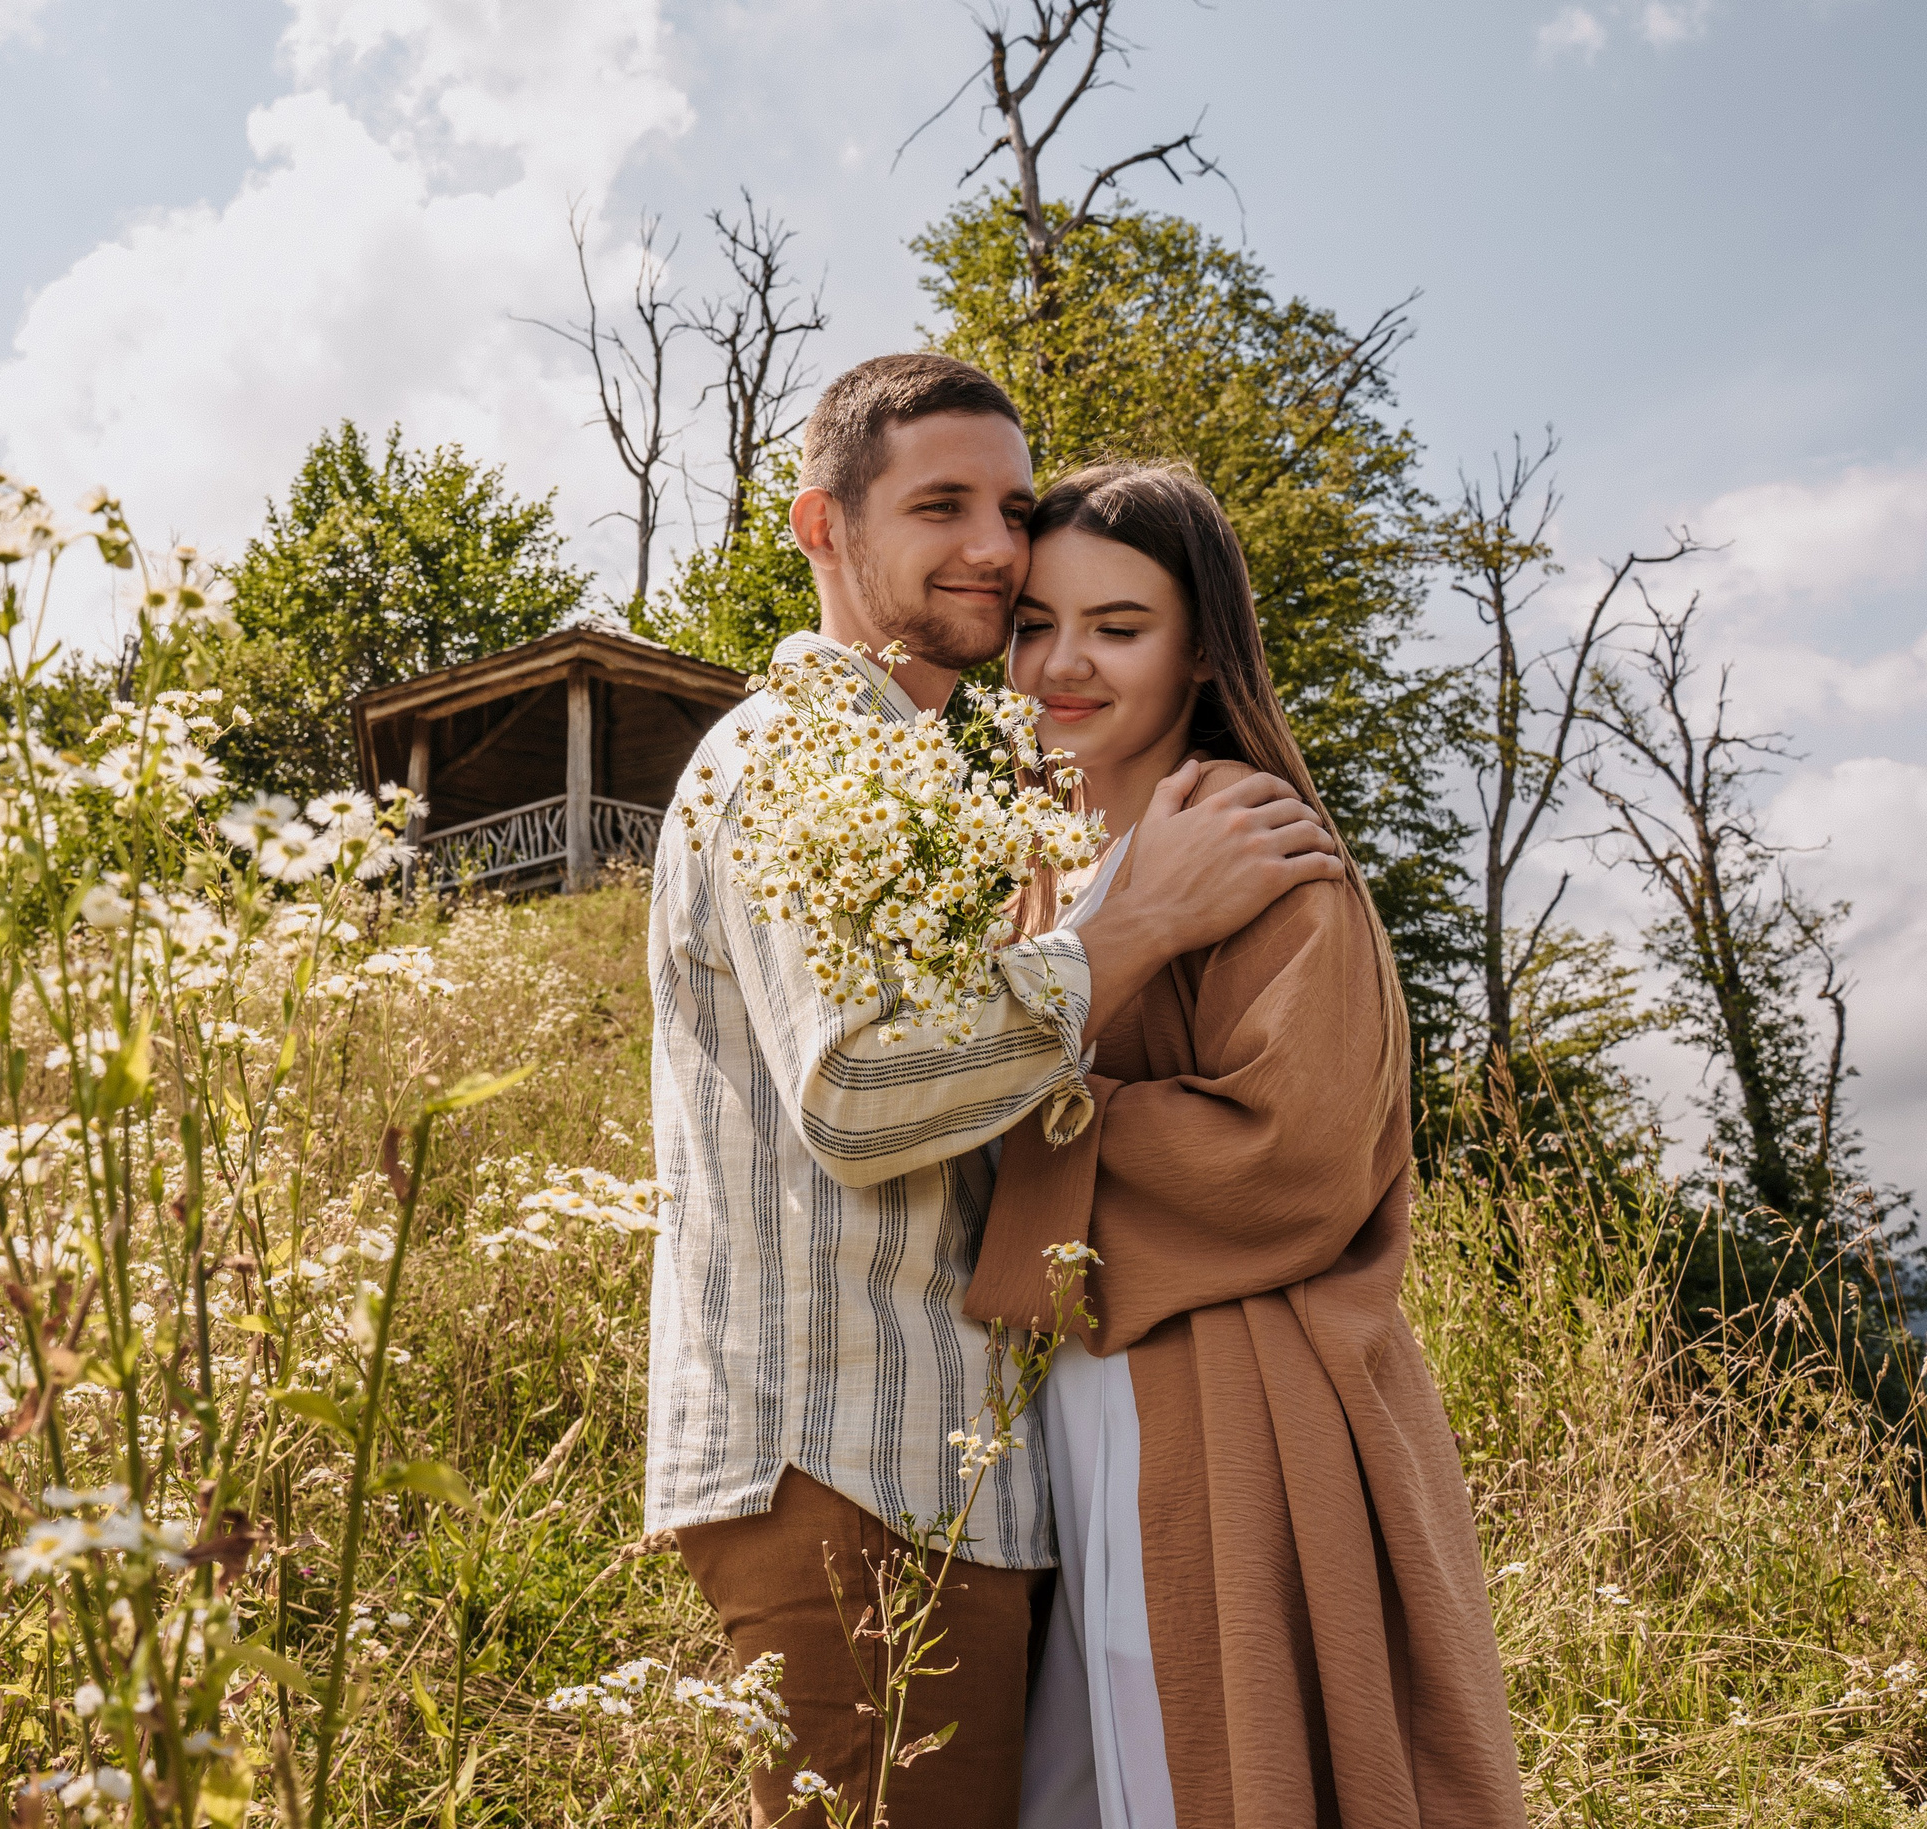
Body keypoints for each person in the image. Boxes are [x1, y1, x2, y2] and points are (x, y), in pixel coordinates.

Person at [645, 356, 1349, 1828]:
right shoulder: (796, 757)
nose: (990, 544)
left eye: (1010, 506)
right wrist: (1129, 932)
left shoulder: (940, 785)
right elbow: (854, 1093)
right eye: (940, 503)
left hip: (946, 1471)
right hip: (845, 1460)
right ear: (822, 526)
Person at [965, 462, 1523, 1828]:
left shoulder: (1268, 854)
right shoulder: (1037, 861)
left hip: (1228, 1408)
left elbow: (1298, 1154)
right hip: (1074, 1415)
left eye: (1120, 625)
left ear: (1203, 644)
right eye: (1037, 623)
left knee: (1198, 1774)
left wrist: (1015, 1131)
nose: (1065, 663)